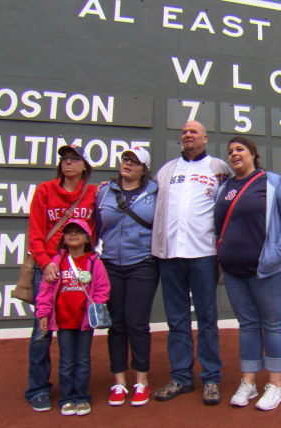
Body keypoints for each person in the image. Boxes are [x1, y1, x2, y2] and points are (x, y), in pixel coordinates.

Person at [214, 136, 281, 411]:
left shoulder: (273, 181)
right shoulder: (225, 187)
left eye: (240, 149)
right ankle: (248, 382)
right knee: (248, 325)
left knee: (273, 324)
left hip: (269, 269)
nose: (234, 154)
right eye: (230, 151)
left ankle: (275, 385)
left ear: (253, 154)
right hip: (234, 270)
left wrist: (279, 250)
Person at [151, 120, 232, 405]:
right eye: (184, 132)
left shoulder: (219, 169)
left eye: (193, 132)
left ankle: (210, 378)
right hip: (170, 255)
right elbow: (145, 199)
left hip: (204, 255)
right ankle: (181, 377)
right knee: (176, 320)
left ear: (205, 138)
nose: (187, 135)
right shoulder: (167, 170)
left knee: (208, 320)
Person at [24, 144, 98, 412]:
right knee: (42, 331)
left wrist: (90, 262)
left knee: (77, 325)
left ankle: (75, 388)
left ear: (84, 166)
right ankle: (38, 389)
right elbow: (35, 231)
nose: (68, 163)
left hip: (79, 269)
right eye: (65, 159)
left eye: (74, 159)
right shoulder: (45, 190)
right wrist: (45, 264)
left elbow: (96, 230)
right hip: (49, 269)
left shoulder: (93, 193)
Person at [95, 147, 160, 407]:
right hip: (110, 264)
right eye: (125, 159)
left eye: (135, 161)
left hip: (143, 263)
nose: (128, 164)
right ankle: (119, 382)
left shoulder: (156, 193)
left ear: (144, 168)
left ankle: (141, 381)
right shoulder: (103, 191)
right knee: (117, 324)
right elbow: (96, 227)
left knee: (137, 323)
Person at [35, 219, 110, 416]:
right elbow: (45, 290)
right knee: (66, 360)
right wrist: (43, 314)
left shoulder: (94, 263)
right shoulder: (56, 262)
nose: (73, 235)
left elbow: (103, 288)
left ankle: (82, 397)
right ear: (64, 240)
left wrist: (96, 306)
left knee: (83, 359)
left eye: (78, 232)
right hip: (63, 321)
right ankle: (67, 398)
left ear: (87, 239)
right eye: (69, 232)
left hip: (85, 322)